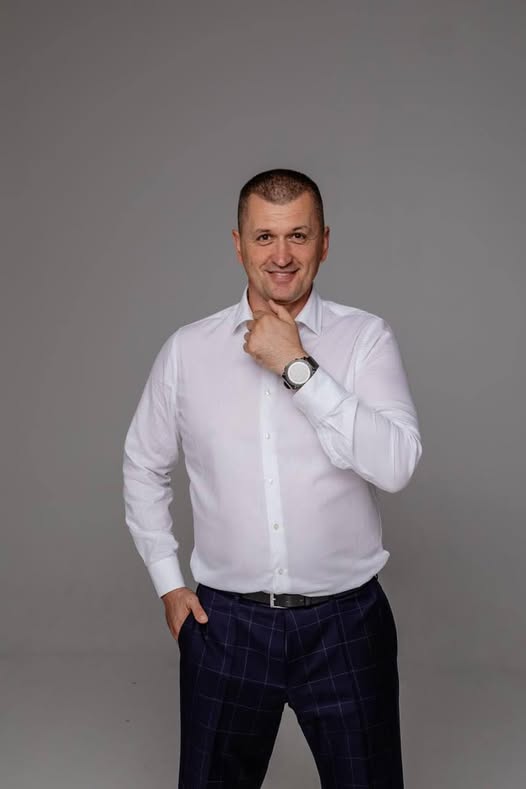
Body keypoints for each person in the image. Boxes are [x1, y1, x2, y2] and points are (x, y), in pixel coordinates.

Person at [122, 168, 422, 788]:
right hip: (225, 629)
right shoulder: (188, 351)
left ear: (324, 243)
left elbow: (396, 466)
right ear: (238, 244)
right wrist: (168, 584)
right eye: (264, 237)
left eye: (298, 236)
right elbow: (142, 464)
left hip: (347, 627)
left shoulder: (364, 339)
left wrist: (297, 366)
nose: (281, 256)